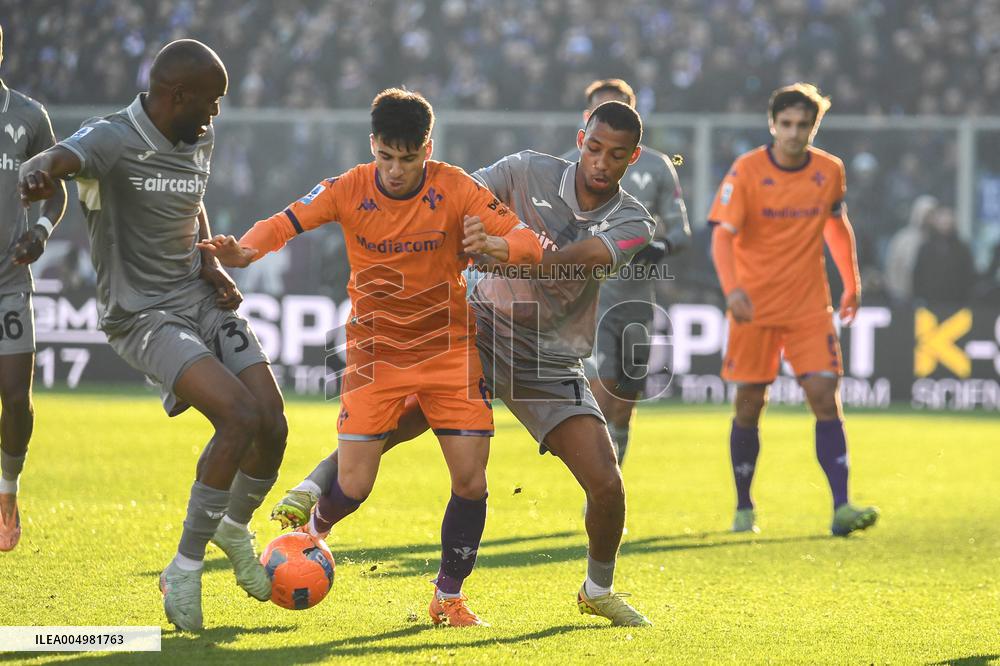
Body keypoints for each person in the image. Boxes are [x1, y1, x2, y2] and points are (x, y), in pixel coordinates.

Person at [272, 101, 657, 627]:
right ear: (580, 138)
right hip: (479, 325)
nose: (600, 162)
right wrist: (467, 238)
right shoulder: (524, 170)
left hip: (548, 357)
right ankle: (315, 506)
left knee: (607, 483)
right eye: (593, 147)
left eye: (615, 155)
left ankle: (598, 589)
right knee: (398, 422)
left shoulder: (635, 219)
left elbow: (589, 257)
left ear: (632, 158)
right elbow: (450, 201)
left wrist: (511, 248)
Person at [202, 88, 543, 627]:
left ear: (427, 149)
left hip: (449, 353)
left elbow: (532, 242)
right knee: (356, 484)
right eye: (387, 156)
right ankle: (312, 529)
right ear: (373, 146)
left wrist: (500, 248)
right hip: (374, 355)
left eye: (409, 158)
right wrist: (245, 250)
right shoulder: (349, 187)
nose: (397, 169)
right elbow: (288, 220)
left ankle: (448, 596)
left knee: (471, 481)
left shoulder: (456, 188)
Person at [18, 40, 288, 631]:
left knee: (272, 422)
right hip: (142, 314)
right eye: (210, 103)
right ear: (177, 95)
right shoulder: (113, 137)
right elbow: (67, 156)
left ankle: (233, 527)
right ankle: (184, 571)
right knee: (238, 417)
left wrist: (211, 261)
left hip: (200, 294)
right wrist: (39, 171)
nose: (215, 115)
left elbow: (192, 202)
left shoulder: (197, 135)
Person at [708, 83, 879, 537]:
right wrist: (732, 290)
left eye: (803, 125)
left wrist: (852, 282)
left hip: (808, 306)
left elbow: (836, 224)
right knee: (749, 407)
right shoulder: (746, 171)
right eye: (786, 124)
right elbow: (722, 237)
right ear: (773, 124)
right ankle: (744, 506)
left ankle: (841, 506)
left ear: (813, 127)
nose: (794, 133)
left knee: (825, 394)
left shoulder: (829, 170)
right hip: (753, 308)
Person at [564, 78, 691, 467]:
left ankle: (610, 481)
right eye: (601, 111)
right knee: (601, 390)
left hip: (637, 298)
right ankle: (599, 487)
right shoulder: (564, 166)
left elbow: (680, 229)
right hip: (590, 297)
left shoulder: (655, 165)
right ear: (587, 120)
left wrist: (660, 247)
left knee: (624, 403)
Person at [0, 23, 68, 552]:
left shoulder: (28, 117)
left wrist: (41, 234)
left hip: (8, 282)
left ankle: (7, 490)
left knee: (16, 401)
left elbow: (56, 192)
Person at [911, 205, 975, 306]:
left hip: (957, 303)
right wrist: (919, 297)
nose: (945, 222)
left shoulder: (962, 249)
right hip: (929, 303)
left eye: (948, 219)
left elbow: (968, 275)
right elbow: (917, 275)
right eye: (942, 219)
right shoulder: (926, 248)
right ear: (935, 221)